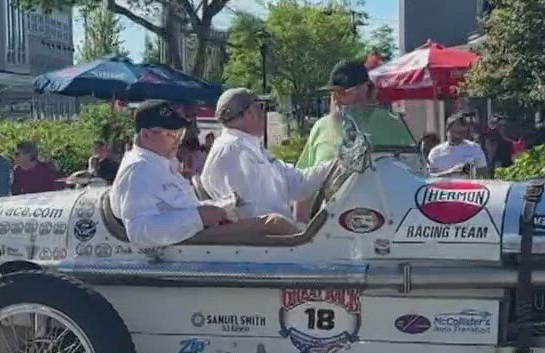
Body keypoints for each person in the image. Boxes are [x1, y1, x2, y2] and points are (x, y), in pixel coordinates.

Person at [283, 61, 410, 353]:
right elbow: (305, 181)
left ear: (367, 90)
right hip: (325, 231)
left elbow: (409, 177)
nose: (339, 100)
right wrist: (299, 228)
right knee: (312, 309)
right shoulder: (323, 128)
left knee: (367, 311)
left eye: (346, 92)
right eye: (335, 94)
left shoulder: (387, 125)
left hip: (373, 232)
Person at [110, 101, 295, 248]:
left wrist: (218, 208)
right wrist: (199, 217)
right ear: (146, 135)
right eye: (171, 134)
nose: (177, 141)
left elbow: (179, 207)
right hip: (187, 243)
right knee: (274, 223)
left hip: (191, 236)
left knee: (262, 217)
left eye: (179, 134)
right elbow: (140, 232)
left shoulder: (158, 164)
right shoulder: (138, 170)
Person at [197, 88, 329, 226]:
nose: (263, 114)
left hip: (278, 234)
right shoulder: (232, 151)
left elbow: (297, 183)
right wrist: (295, 229)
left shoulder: (250, 146)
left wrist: (335, 166)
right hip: (265, 242)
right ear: (249, 113)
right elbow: (251, 213)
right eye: (259, 107)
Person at [297, 61, 416, 169]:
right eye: (333, 93)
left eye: (342, 93)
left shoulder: (390, 125)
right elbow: (302, 176)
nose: (336, 99)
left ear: (364, 88)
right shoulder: (321, 127)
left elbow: (412, 168)